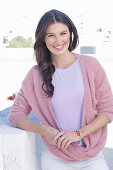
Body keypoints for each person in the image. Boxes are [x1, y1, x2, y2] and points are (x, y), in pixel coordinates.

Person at [8, 9, 113, 170]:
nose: (58, 40)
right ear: (43, 38)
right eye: (51, 35)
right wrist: (44, 130)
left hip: (92, 156)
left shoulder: (91, 66)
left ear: (70, 33)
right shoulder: (35, 75)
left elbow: (107, 111)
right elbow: (16, 116)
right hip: (54, 159)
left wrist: (78, 133)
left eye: (63, 33)